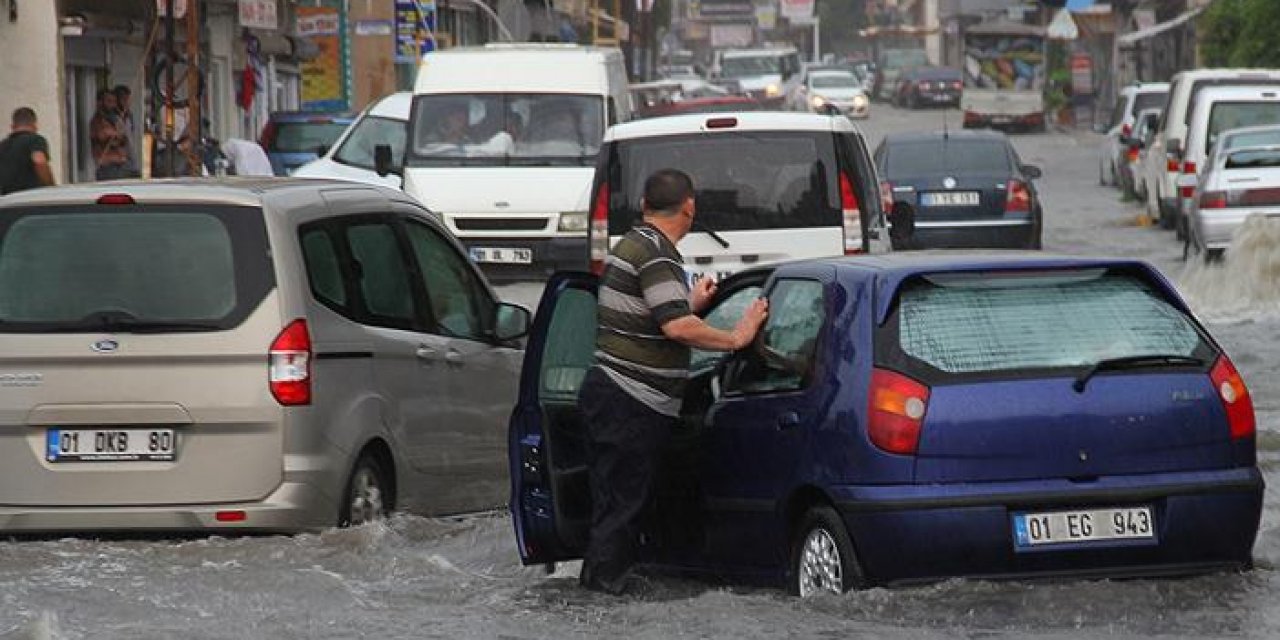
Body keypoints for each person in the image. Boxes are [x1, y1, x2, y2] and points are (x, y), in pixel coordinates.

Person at [578, 168, 769, 595]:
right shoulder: (658, 255)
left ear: (645, 206)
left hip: (611, 395)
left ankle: (598, 593)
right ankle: (602, 600)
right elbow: (677, 329)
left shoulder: (632, 246)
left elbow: (658, 316)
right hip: (629, 401)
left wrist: (691, 302)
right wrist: (736, 337)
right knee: (622, 509)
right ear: (690, 207)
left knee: (613, 506)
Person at [0, 107, 56, 195]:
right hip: (31, 199)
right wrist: (51, 187)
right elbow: (39, 161)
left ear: (13, 126)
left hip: (8, 202)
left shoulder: (3, 145)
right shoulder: (35, 140)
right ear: (34, 125)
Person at [89, 88, 131, 180]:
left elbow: (123, 138)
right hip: (107, 167)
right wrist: (116, 134)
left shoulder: (114, 119)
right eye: (109, 101)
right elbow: (103, 135)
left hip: (120, 166)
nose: (113, 105)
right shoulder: (97, 121)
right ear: (100, 103)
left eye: (114, 102)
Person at [112, 84, 139, 177]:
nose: (127, 103)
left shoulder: (129, 116)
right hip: (117, 163)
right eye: (124, 99)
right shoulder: (112, 117)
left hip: (131, 160)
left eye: (128, 99)